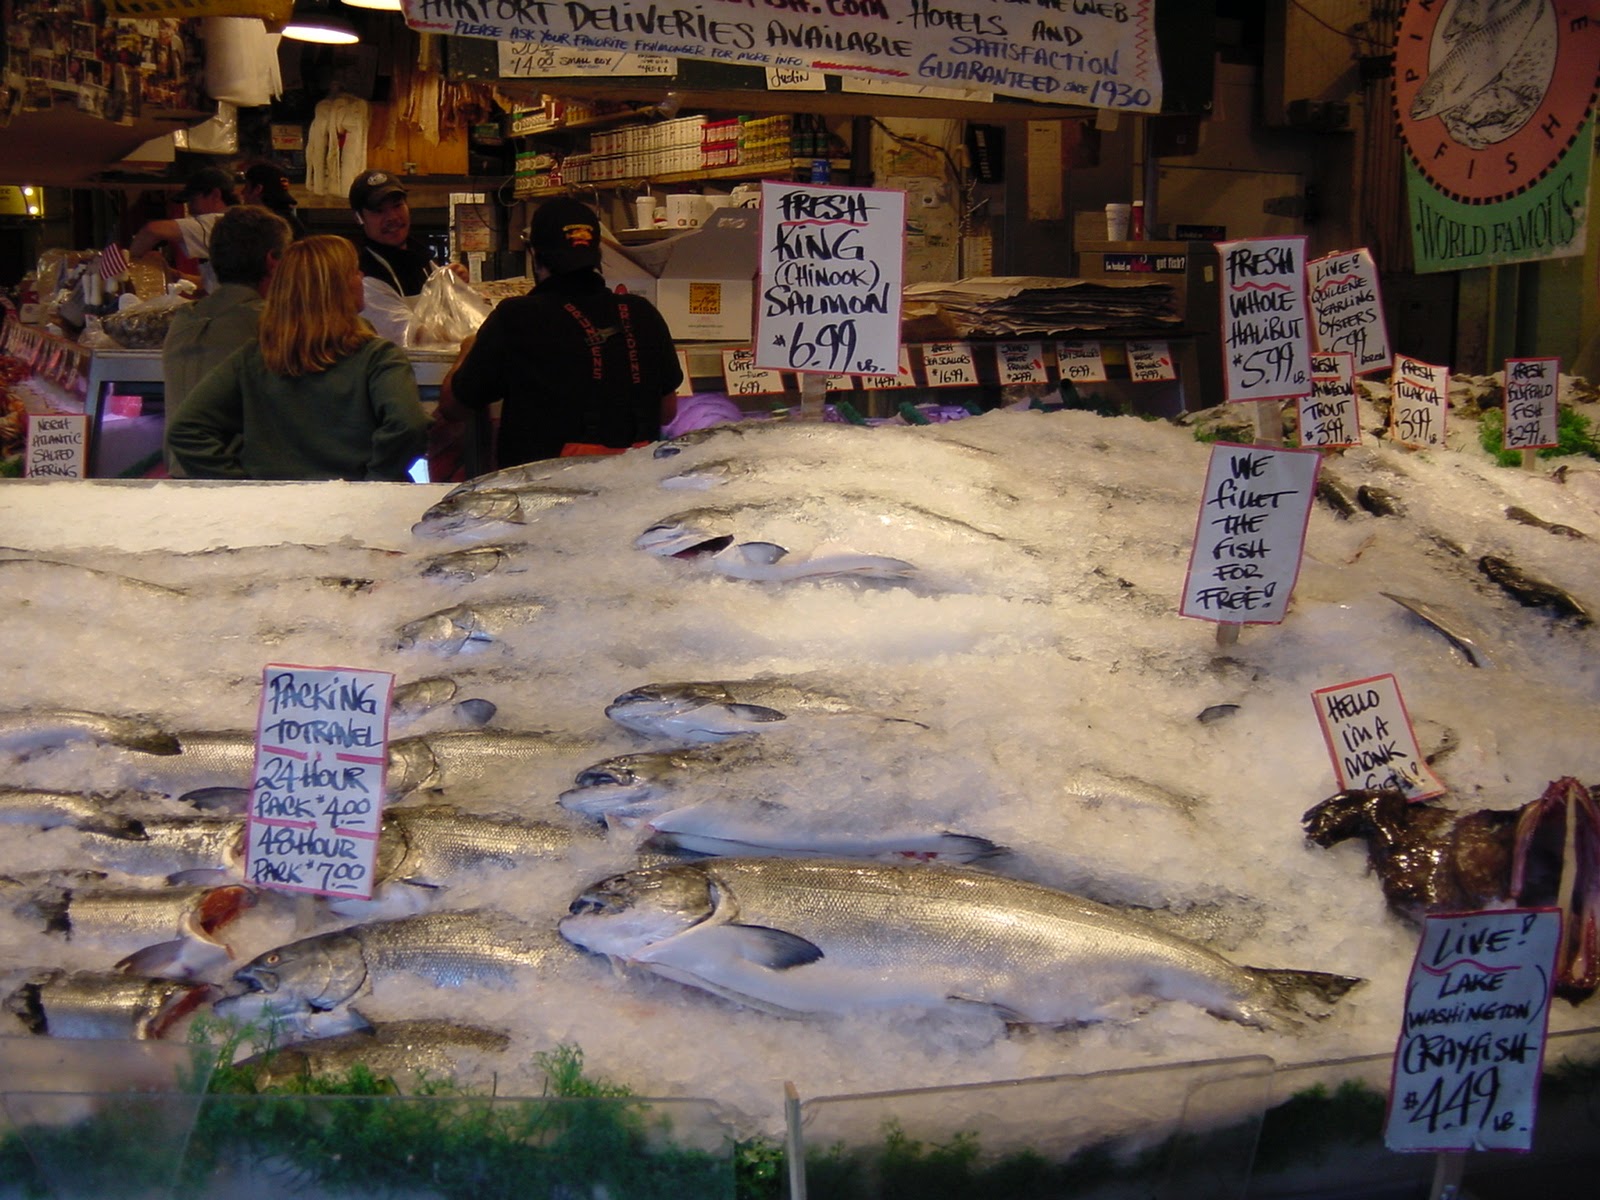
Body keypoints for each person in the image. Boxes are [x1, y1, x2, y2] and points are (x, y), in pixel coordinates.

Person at [441, 197, 683, 467]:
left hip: (544, 498)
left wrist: (467, 350)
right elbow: (666, 412)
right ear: (598, 254)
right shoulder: (642, 312)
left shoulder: (516, 317)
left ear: (535, 254)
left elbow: (455, 407)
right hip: (633, 494)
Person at [164, 235, 429, 481]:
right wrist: (375, 481)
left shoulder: (254, 357)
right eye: (354, 271)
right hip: (358, 515)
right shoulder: (378, 357)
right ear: (334, 288)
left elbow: (186, 430)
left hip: (276, 516)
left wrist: (242, 487)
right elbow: (408, 425)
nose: (361, 277)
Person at [160, 205, 293, 475]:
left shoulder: (183, 320)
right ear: (273, 260)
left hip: (176, 485)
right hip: (235, 488)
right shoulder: (271, 325)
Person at [350, 169, 440, 344]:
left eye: (397, 205)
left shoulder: (422, 260)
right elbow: (413, 335)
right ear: (359, 218)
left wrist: (455, 284)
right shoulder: (366, 277)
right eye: (378, 211)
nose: (392, 217)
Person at [130, 165, 237, 294]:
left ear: (215, 195)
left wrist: (131, 263)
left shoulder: (218, 222)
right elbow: (213, 283)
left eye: (193, 201)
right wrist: (174, 275)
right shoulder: (238, 221)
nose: (191, 209)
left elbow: (152, 230)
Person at [238, 162, 306, 240]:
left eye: (246, 186)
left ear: (258, 189)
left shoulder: (262, 227)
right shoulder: (293, 224)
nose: (242, 192)